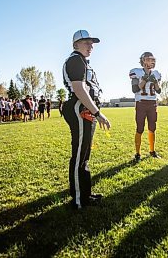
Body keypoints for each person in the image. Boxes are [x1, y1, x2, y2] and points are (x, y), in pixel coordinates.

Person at [62, 29, 110, 210]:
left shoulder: (82, 61)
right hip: (79, 108)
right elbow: (79, 89)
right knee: (79, 155)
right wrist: (98, 113)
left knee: (84, 155)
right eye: (86, 43)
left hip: (85, 108)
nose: (91, 46)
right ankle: (77, 200)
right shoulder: (75, 60)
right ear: (76, 45)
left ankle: (85, 195)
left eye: (92, 43)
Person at [129, 52, 162, 161]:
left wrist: (155, 81)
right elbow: (135, 90)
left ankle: (152, 151)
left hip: (152, 103)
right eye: (149, 59)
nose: (151, 61)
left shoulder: (156, 73)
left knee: (152, 128)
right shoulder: (136, 72)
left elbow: (159, 90)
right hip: (141, 103)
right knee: (140, 128)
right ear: (143, 60)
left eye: (153, 59)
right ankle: (137, 154)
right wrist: (145, 79)